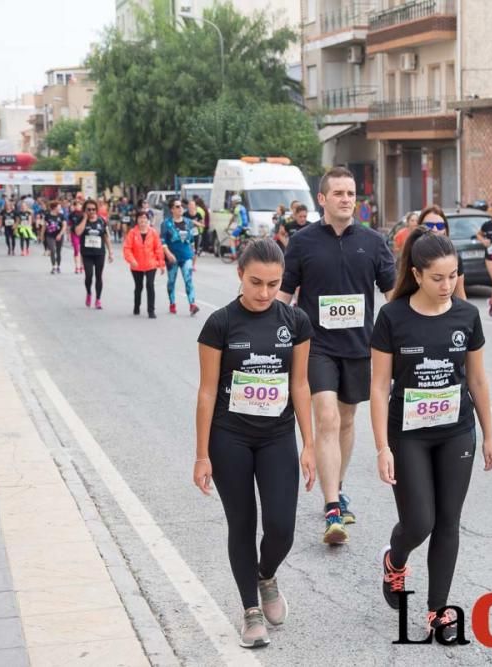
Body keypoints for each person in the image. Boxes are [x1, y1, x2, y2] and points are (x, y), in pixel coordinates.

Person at [370, 227, 492, 639]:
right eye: (438, 277)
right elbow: (378, 386)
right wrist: (381, 448)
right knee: (419, 521)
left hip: (456, 431)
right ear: (418, 274)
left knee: (448, 522)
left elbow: (477, 380)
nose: (448, 285)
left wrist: (489, 436)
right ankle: (396, 559)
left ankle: (438, 610)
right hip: (408, 434)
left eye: (453, 276)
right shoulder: (392, 316)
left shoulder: (466, 316)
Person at [195, 239, 316, 648]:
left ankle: (265, 575)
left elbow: (299, 384)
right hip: (229, 437)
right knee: (242, 524)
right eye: (255, 282)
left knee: (281, 528)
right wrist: (200, 454)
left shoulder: (295, 321)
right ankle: (250, 610)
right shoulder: (219, 324)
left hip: (277, 435)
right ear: (239, 275)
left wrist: (310, 444)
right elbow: (207, 392)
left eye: (273, 283)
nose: (264, 293)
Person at [277, 166, 396, 545]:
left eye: (351, 193)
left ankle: (338, 485)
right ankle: (332, 509)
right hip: (317, 347)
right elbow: (284, 297)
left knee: (346, 419)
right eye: (339, 193)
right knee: (325, 417)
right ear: (322, 199)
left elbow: (394, 298)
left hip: (360, 348)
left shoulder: (374, 243)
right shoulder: (302, 242)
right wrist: (268, 336)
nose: (346, 199)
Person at [418, 205, 467, 300]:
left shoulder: (454, 257)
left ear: (445, 230)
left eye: (440, 226)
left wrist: (467, 314)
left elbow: (460, 294)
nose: (435, 230)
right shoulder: (409, 256)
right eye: (429, 226)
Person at [161, 199, 200, 316]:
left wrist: (193, 256)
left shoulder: (189, 222)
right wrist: (168, 254)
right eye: (177, 206)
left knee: (188, 280)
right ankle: (172, 303)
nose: (180, 208)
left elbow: (192, 240)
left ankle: (192, 304)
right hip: (172, 257)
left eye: (182, 206)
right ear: (172, 209)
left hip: (186, 256)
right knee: (171, 281)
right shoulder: (166, 224)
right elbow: (162, 242)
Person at [123, 210, 165, 318]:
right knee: (139, 286)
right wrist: (131, 260)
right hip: (136, 265)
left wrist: (161, 263)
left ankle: (151, 310)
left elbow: (158, 249)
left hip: (151, 264)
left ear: (148, 220)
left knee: (150, 286)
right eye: (140, 218)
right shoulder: (132, 233)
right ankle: (136, 306)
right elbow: (127, 248)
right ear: (137, 220)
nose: (143, 220)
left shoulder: (153, 233)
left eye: (145, 218)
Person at [74, 198, 113, 309]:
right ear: (85, 210)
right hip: (86, 253)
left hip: (99, 252)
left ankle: (98, 299)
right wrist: (85, 219)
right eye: (89, 209)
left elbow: (106, 237)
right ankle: (89, 293)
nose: (91, 212)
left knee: (99, 276)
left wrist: (110, 252)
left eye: (93, 209)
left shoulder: (101, 221)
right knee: (89, 276)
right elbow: (78, 232)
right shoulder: (81, 219)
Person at [44, 201, 68, 274]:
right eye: (59, 207)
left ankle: (58, 266)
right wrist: (42, 235)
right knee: (53, 250)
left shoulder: (61, 216)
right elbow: (44, 226)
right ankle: (53, 266)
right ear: (54, 208)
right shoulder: (47, 215)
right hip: (50, 235)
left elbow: (64, 226)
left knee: (58, 251)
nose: (60, 208)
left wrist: (60, 234)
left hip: (59, 235)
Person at [69, 200, 85, 273]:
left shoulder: (84, 214)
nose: (78, 206)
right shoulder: (71, 215)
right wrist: (68, 235)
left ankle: (82, 266)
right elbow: (69, 225)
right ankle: (77, 267)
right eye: (76, 205)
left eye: (79, 205)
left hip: (83, 233)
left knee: (83, 250)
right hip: (74, 233)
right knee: (76, 250)